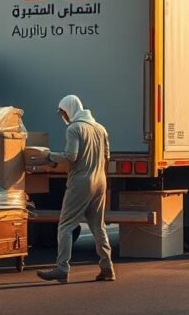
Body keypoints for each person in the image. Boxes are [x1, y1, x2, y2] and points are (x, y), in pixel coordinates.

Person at [36, 95, 115, 284]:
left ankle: (62, 268)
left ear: (69, 109)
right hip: (100, 181)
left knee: (65, 225)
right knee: (98, 226)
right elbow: (107, 156)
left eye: (63, 112)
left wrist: (49, 156)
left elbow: (71, 156)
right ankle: (107, 267)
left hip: (81, 182)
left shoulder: (74, 128)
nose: (63, 116)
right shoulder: (100, 128)